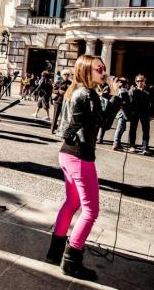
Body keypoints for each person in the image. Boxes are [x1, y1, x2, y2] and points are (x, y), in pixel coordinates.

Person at [47, 55, 121, 279]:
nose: (104, 72)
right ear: (87, 71)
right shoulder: (87, 94)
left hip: (67, 153)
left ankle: (55, 251)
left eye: (104, 68)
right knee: (90, 211)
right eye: (100, 69)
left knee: (72, 203)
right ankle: (71, 260)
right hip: (80, 157)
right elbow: (104, 123)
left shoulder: (75, 91)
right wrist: (115, 96)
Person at [128, 74, 154, 154]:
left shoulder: (149, 90)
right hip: (134, 112)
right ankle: (132, 146)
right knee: (133, 129)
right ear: (136, 82)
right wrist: (129, 112)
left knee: (146, 130)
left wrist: (152, 114)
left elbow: (153, 102)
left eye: (141, 80)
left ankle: (145, 147)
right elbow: (129, 102)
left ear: (145, 80)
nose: (140, 82)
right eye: (138, 81)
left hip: (145, 113)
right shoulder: (133, 90)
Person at [112, 78, 132, 151]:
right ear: (125, 84)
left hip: (122, 111)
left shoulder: (123, 91)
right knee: (120, 128)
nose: (128, 85)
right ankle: (116, 143)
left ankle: (118, 143)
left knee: (122, 128)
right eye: (127, 83)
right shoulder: (123, 92)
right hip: (122, 112)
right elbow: (123, 103)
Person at [51, 69, 72, 133]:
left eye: (67, 74)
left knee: (64, 116)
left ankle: (60, 129)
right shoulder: (58, 82)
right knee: (55, 115)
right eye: (65, 74)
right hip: (58, 101)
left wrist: (67, 93)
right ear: (62, 75)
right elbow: (53, 90)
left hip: (66, 102)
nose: (66, 75)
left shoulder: (70, 83)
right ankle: (53, 129)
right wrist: (59, 91)